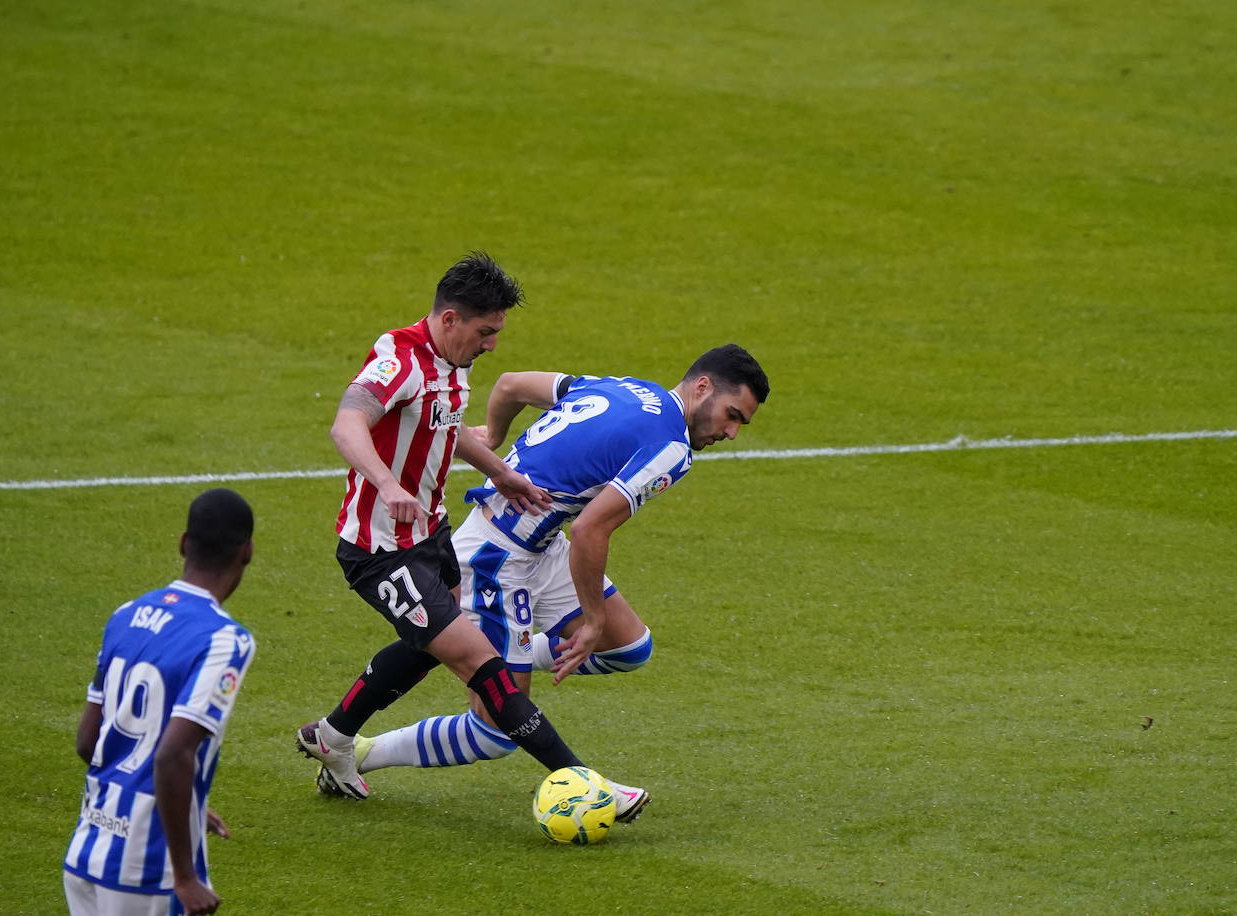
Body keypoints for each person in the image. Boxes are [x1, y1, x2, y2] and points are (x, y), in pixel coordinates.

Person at [295, 252, 648, 820]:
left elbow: (444, 427)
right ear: (451, 318)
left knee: (426, 649)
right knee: (482, 665)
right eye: (485, 332)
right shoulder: (399, 358)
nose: (491, 346)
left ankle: (333, 737)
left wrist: (500, 473)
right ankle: (583, 780)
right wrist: (386, 484)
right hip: (380, 551)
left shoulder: (451, 364)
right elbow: (347, 422)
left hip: (430, 537)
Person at [326, 345, 768, 796]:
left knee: (629, 647)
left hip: (539, 543)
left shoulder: (623, 387)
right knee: (496, 731)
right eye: (732, 415)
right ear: (702, 387)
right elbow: (590, 530)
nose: (731, 432)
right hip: (495, 558)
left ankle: (492, 657)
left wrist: (493, 436)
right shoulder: (672, 448)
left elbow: (511, 384)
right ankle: (363, 752)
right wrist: (592, 620)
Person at [63, 488, 257, 916]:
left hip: (87, 852)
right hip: (149, 872)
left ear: (184, 543)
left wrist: (185, 805)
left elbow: (87, 742)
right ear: (247, 552)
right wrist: (184, 877)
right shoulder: (226, 640)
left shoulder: (127, 613)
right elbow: (172, 753)